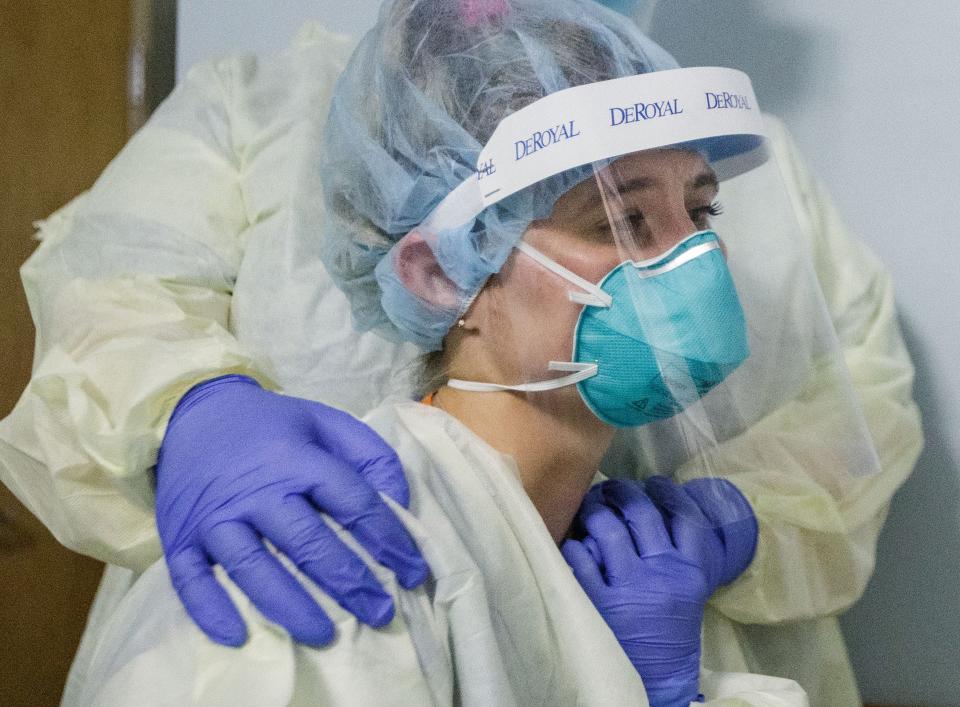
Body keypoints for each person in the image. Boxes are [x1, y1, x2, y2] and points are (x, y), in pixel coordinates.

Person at [0, 0, 920, 705]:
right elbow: (111, 295)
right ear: (437, 272)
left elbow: (861, 415)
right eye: (623, 218)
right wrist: (192, 410)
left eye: (703, 210)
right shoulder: (312, 609)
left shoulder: (696, 133)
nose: (691, 259)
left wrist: (733, 533)